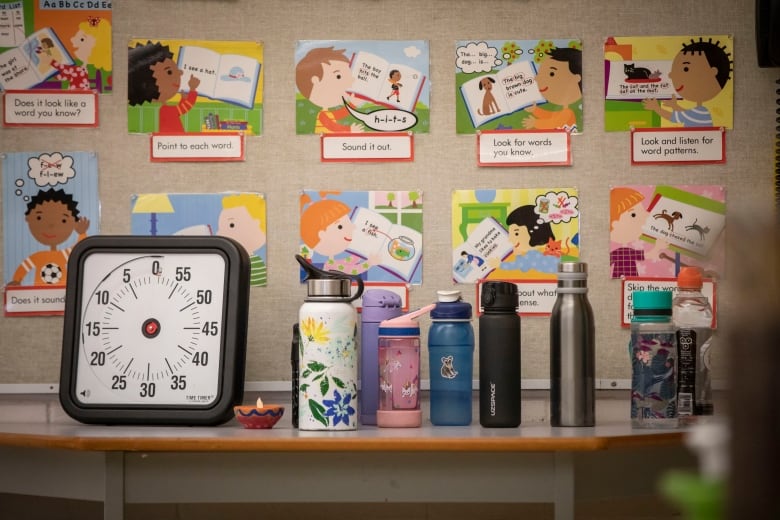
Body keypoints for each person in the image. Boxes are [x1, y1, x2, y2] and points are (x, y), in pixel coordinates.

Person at [642, 38, 732, 127]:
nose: (671, 75)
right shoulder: (701, 110)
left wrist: (656, 108)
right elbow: (687, 114)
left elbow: (673, 118)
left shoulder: (701, 111)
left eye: (685, 69)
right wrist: (675, 106)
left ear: (712, 72)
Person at [9, 188, 90, 286]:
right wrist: (16, 280)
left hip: (62, 295)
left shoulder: (64, 255)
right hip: (37, 296)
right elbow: (24, 266)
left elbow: (79, 249)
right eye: (39, 218)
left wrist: (82, 233)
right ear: (28, 218)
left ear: (73, 223)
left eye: (63, 220)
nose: (51, 225)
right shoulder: (38, 257)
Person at [128, 41, 200, 132]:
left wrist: (183, 99)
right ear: (147, 83)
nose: (180, 73)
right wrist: (192, 89)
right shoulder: (164, 109)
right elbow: (185, 107)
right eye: (169, 72)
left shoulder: (149, 110)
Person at [299, 193, 378, 276]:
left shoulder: (331, 261)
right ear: (322, 235)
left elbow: (348, 261)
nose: (353, 227)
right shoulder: (331, 265)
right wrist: (370, 263)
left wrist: (361, 249)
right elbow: (353, 270)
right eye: (340, 226)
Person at [295, 47, 364, 134]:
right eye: (338, 76)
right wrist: (349, 130)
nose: (350, 82)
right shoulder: (322, 115)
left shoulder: (327, 113)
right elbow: (332, 126)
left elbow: (340, 114)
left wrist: (353, 104)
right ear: (316, 81)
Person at [37, 16, 112, 92]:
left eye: (82, 39)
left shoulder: (81, 69)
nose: (72, 39)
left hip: (78, 97)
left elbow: (67, 69)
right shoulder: (81, 67)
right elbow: (68, 75)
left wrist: (51, 62)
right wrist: (57, 76)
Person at [522, 47, 583, 133]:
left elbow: (553, 123)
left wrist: (535, 123)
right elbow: (550, 116)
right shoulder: (564, 110)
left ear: (576, 78)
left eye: (551, 73)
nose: (537, 78)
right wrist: (536, 110)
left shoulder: (568, 112)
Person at [609, 187, 666, 278]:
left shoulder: (628, 252)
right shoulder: (618, 253)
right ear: (615, 224)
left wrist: (657, 247)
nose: (645, 217)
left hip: (633, 283)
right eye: (633, 215)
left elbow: (648, 255)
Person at [488, 205, 559, 274]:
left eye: (516, 234)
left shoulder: (533, 255)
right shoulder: (534, 254)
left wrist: (500, 265)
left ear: (533, 233)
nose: (510, 239)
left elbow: (519, 266)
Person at [217, 194, 267, 286]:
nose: (218, 234)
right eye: (220, 227)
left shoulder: (250, 263)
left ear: (257, 223)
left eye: (231, 225)